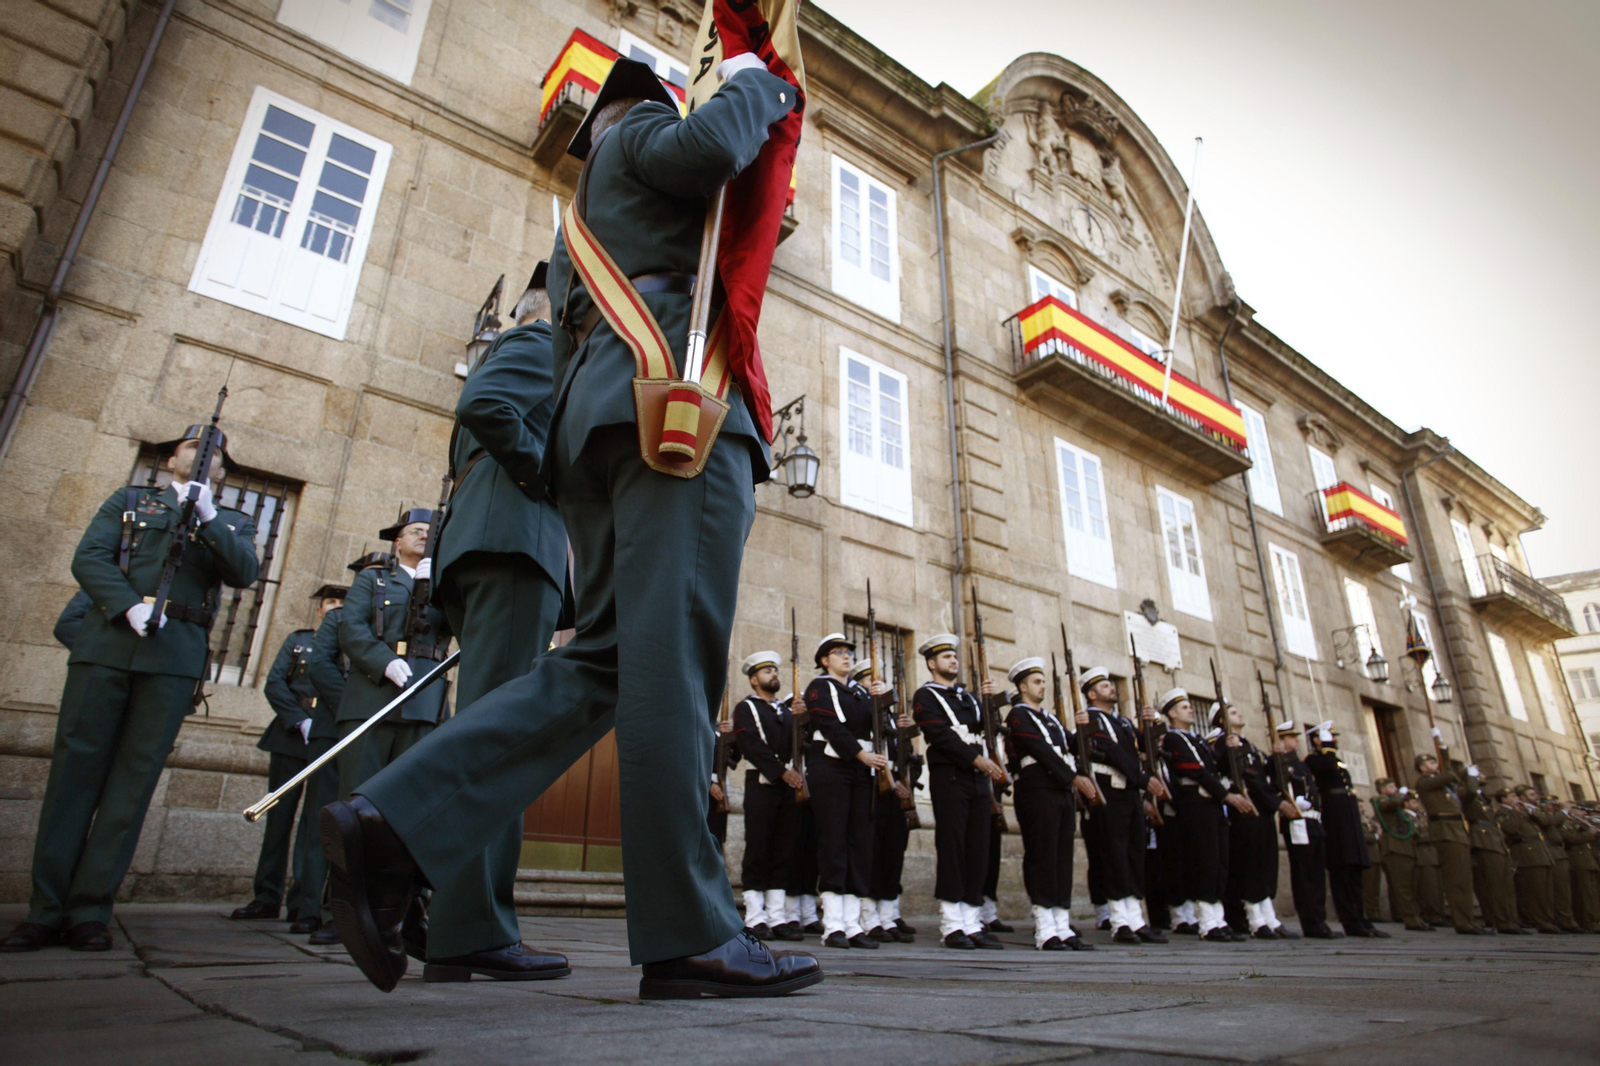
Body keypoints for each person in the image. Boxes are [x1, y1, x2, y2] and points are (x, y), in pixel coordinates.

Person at [2, 425, 260, 953]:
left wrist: (208, 517)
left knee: (131, 785)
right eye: (194, 446)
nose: (205, 455)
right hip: (107, 646)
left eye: (217, 453)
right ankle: (44, 909)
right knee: (74, 776)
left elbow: (243, 573)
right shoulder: (129, 501)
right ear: (170, 460)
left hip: (173, 658)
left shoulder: (232, 521)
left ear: (222, 472)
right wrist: (126, 606)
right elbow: (89, 558)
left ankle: (89, 910)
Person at [410, 265, 572, 983]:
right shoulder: (537, 340)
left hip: (491, 544)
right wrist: (547, 477)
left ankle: (453, 922)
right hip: (511, 543)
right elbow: (484, 404)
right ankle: (468, 924)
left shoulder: (523, 348)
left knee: (485, 728)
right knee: (498, 738)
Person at [231, 586, 346, 926]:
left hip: (327, 734)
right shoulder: (300, 640)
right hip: (291, 736)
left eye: (342, 603)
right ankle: (266, 896)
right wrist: (298, 719)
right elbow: (275, 683)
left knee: (315, 820)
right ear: (319, 610)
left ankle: (301, 901)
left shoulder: (349, 645)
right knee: (278, 819)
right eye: (330, 602)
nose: (336, 607)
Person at [335, 509, 453, 799]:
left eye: (429, 533)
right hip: (372, 698)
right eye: (416, 531)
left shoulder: (446, 587)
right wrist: (383, 661)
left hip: (425, 701)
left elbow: (462, 627)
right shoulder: (373, 579)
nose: (424, 536)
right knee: (358, 796)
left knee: (409, 798)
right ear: (398, 542)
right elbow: (351, 629)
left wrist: (442, 589)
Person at [912, 634, 1005, 949]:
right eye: (946, 657)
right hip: (951, 776)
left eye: (954, 656)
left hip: (978, 779)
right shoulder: (926, 696)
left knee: (978, 848)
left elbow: (989, 731)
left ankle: (972, 922)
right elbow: (938, 734)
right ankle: (952, 924)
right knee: (953, 846)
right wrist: (975, 759)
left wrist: (990, 704)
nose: (953, 661)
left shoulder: (969, 698)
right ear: (931, 663)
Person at [802, 635, 889, 949]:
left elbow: (881, 729)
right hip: (832, 767)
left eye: (849, 652)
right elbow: (830, 725)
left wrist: (881, 700)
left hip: (860, 770)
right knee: (834, 840)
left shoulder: (860, 692)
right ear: (825, 660)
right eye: (839, 652)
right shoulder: (819, 687)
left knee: (859, 843)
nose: (846, 656)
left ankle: (853, 924)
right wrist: (860, 754)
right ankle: (834, 925)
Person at [1003, 657, 1095, 951]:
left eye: (1043, 681)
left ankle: (1062, 925)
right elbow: (1040, 749)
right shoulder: (1018, 715)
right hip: (1037, 789)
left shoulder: (1051, 719)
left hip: (1060, 790)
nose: (1043, 686)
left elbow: (1070, 746)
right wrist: (1074, 777)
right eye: (1037, 682)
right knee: (1043, 855)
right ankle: (1045, 928)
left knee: (1062, 857)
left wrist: (1083, 730)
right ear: (1022, 687)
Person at [1078, 666, 1167, 945]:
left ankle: (1136, 919)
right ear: (1092, 695)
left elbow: (1145, 749)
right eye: (1104, 686)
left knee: (1134, 854)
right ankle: (1119, 921)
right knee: (1115, 855)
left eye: (1111, 684)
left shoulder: (1123, 722)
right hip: (1110, 791)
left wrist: (1151, 725)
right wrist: (1143, 779)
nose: (1112, 688)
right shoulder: (1092, 719)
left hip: (1129, 793)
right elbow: (1114, 752)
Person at [1158, 689, 1251, 942]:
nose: (1190, 710)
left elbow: (1215, 766)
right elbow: (1195, 770)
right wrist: (1226, 795)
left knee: (1220, 862)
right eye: (1185, 707)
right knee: (1206, 861)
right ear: (1172, 713)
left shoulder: (1197, 740)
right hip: (1195, 803)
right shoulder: (1173, 739)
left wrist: (1231, 751)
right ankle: (1207, 922)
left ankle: (1218, 919)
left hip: (1212, 803)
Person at [732, 650, 806, 941]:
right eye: (767, 671)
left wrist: (802, 719)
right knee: (758, 847)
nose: (774, 675)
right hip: (762, 784)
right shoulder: (746, 708)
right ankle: (755, 916)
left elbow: (799, 745)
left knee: (783, 849)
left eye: (775, 670)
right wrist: (780, 771)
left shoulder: (786, 712)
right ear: (754, 680)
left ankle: (776, 916)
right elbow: (750, 744)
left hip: (788, 785)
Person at [1212, 701, 1295, 939]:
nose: (1239, 714)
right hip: (1247, 809)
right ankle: (1255, 918)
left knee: (1265, 864)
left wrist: (1277, 757)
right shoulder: (1224, 743)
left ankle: (1269, 916)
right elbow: (1246, 777)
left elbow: (1264, 774)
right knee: (1251, 865)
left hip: (1262, 810)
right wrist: (1276, 802)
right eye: (1232, 713)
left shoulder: (1248, 744)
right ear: (1222, 721)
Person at [850, 660, 917, 943]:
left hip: (895, 791)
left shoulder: (889, 717)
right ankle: (869, 916)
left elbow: (909, 756)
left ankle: (888, 916)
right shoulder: (863, 712)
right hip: (873, 789)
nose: (877, 686)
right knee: (872, 853)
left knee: (892, 853)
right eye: (870, 680)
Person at [1304, 722, 1387, 938]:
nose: (1335, 741)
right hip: (1335, 819)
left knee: (1355, 871)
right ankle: (1351, 921)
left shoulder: (1336, 760)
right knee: (1342, 870)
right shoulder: (1315, 759)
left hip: (1348, 817)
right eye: (1330, 738)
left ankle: (1361, 918)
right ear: (1317, 740)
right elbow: (1326, 769)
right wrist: (1326, 749)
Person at [1411, 747, 1486, 934]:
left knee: (1464, 879)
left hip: (1458, 832)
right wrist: (1444, 753)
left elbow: (1469, 793)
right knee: (1456, 880)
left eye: (1435, 761)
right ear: (1422, 768)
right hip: (1446, 832)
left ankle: (1468, 920)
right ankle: (1463, 922)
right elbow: (1450, 774)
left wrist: (1472, 777)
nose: (1435, 765)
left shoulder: (1445, 787)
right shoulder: (1424, 782)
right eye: (1431, 763)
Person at [1274, 721, 1337, 938]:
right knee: (1304, 874)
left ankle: (1320, 920)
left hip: (1313, 821)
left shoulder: (1300, 764)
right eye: (1292, 737)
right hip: (1297, 821)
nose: (1296, 741)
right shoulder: (1280, 763)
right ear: (1281, 740)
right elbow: (1276, 786)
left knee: (1317, 874)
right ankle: (1311, 923)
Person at [1460, 768, 1520, 935]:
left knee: (1505, 884)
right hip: (1484, 840)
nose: (1484, 776)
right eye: (1479, 774)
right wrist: (1471, 776)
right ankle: (1501, 921)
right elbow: (1470, 791)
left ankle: (1510, 919)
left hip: (1495, 840)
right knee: (1495, 884)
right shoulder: (1467, 794)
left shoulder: (1483, 798)